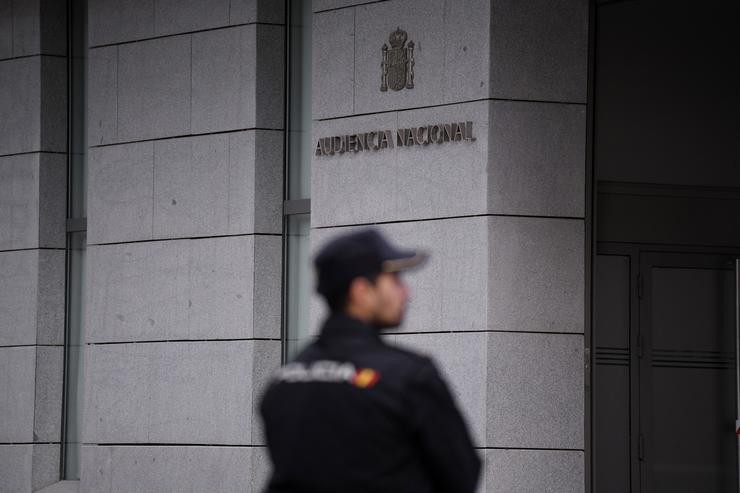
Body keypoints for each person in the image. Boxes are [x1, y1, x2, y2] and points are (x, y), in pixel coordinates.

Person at [259, 228, 481, 493]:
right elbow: (461, 475)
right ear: (362, 291)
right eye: (395, 280)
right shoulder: (409, 377)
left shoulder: (284, 381)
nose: (406, 293)